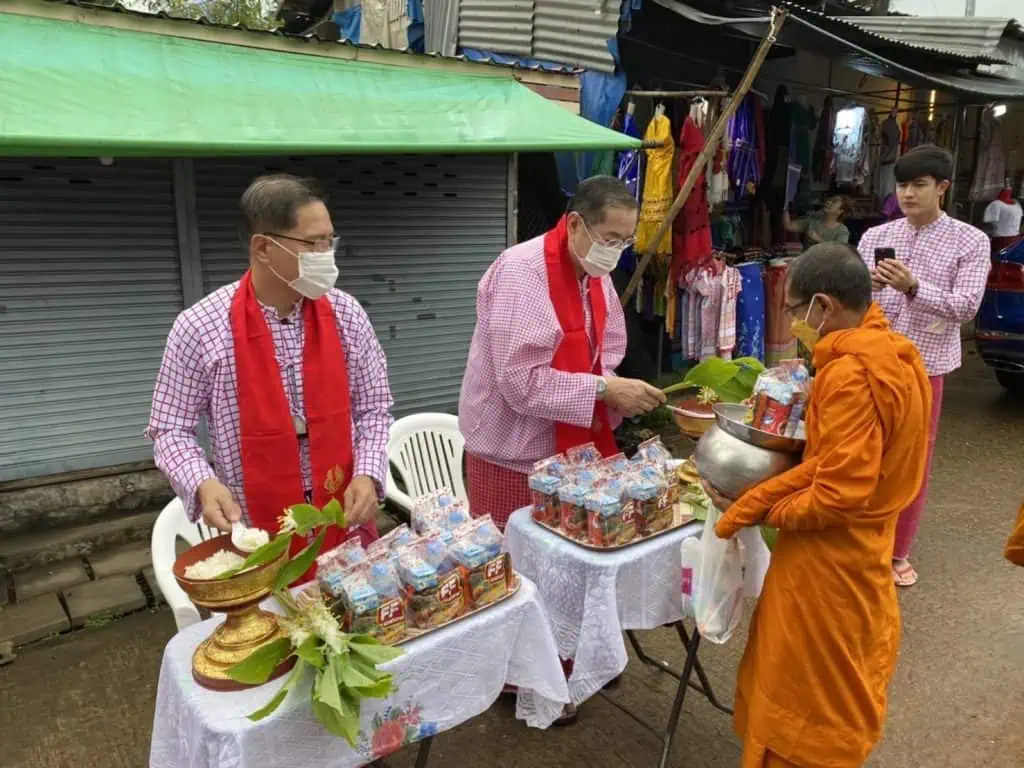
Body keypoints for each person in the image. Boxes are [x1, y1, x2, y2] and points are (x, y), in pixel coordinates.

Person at [704, 243, 931, 768]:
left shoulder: (853, 373)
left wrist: (760, 509)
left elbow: (837, 493)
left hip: (830, 565)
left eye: (792, 310)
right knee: (824, 678)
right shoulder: (891, 351)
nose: (792, 322)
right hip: (863, 553)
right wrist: (754, 502)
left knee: (805, 698)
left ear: (822, 307)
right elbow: (834, 466)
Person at [146, 174, 393, 579]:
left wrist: (367, 472)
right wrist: (203, 484)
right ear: (263, 247)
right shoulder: (200, 327)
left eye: (329, 241)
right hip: (255, 533)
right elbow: (170, 429)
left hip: (343, 522)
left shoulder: (346, 314)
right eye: (313, 244)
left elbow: (374, 409)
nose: (325, 255)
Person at [459, 175, 666, 532]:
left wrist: (617, 391)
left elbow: (606, 358)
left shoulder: (593, 272)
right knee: (517, 571)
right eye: (609, 238)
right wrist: (604, 390)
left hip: (573, 459)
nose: (615, 251)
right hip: (514, 460)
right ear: (574, 224)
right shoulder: (521, 272)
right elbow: (521, 384)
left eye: (625, 241)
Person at [856, 144, 990, 587]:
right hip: (868, 362)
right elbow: (853, 302)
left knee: (911, 459)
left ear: (942, 187)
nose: (908, 194)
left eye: (919, 185)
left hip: (924, 366)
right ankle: (858, 540)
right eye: (902, 185)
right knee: (861, 451)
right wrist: (864, 287)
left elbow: (966, 307)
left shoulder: (971, 241)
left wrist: (915, 287)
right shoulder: (876, 237)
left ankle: (897, 551)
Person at [783, 195, 850, 246]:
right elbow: (789, 226)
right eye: (830, 200)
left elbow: (839, 251)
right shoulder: (812, 222)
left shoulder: (842, 230)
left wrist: (819, 239)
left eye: (834, 202)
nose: (829, 202)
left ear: (840, 211)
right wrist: (785, 208)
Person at [983, 186, 1023, 253]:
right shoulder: (996, 204)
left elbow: (988, 222)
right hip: (1003, 238)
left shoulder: (1016, 204)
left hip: (1009, 239)